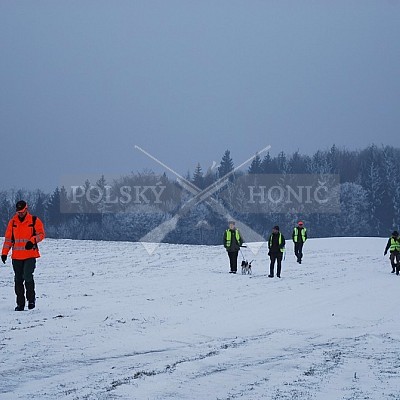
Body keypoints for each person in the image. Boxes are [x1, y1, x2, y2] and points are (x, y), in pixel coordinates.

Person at [1, 201, 45, 311]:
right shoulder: (12, 222)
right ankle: (20, 304)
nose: (20, 213)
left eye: (22, 211)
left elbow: (41, 234)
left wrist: (32, 241)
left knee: (27, 276)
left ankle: (31, 300)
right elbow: (8, 239)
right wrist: (4, 253)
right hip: (16, 257)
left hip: (30, 255)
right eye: (18, 212)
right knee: (18, 279)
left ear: (26, 209)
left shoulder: (34, 220)